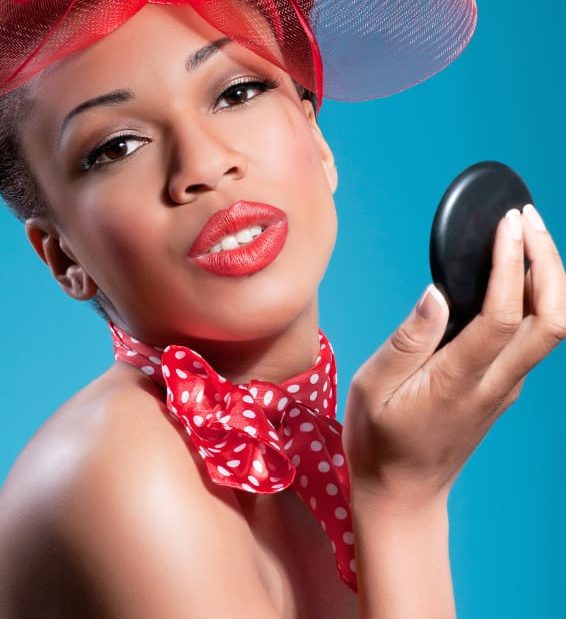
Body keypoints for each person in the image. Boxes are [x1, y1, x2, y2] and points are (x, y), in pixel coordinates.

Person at [0, 1, 564, 618]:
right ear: (63, 257)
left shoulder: (299, 458)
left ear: (318, 141)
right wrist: (404, 499)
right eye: (118, 147)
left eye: (237, 93)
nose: (205, 164)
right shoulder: (119, 473)